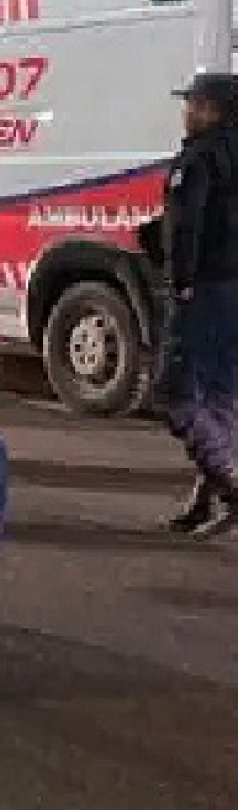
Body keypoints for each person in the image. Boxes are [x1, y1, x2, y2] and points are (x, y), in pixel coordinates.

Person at [145, 73, 238, 539]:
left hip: (205, 289)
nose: (187, 111)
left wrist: (180, 280)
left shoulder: (200, 156)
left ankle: (230, 483)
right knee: (222, 399)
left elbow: (188, 224)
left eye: (194, 104)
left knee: (175, 395)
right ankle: (207, 500)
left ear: (212, 108)